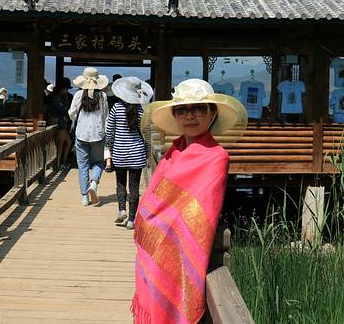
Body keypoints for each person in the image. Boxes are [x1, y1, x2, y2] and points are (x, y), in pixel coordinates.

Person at [132, 79, 248, 324]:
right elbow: (155, 199)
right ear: (175, 116)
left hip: (175, 251)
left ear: (212, 113)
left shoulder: (216, 157)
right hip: (153, 248)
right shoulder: (173, 151)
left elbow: (201, 212)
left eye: (198, 108)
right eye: (181, 110)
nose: (189, 116)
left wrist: (160, 226)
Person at [105, 77, 154, 229]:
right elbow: (147, 134)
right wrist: (146, 152)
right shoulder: (142, 111)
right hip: (137, 153)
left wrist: (112, 148)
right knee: (134, 187)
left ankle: (121, 210)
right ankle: (132, 220)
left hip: (119, 152)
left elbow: (109, 131)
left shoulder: (116, 108)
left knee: (120, 183)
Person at [68, 67, 109, 206]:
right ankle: (94, 183)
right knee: (99, 162)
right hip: (98, 134)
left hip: (81, 134)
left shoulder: (78, 95)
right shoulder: (103, 96)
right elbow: (105, 116)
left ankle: (84, 197)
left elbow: (72, 114)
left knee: (83, 165)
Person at [50, 82, 72, 169]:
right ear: (62, 89)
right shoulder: (57, 99)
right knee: (61, 144)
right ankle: (60, 163)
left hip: (62, 123)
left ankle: (62, 162)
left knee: (67, 142)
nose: (67, 91)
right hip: (60, 123)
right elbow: (63, 110)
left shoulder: (59, 98)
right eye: (66, 89)